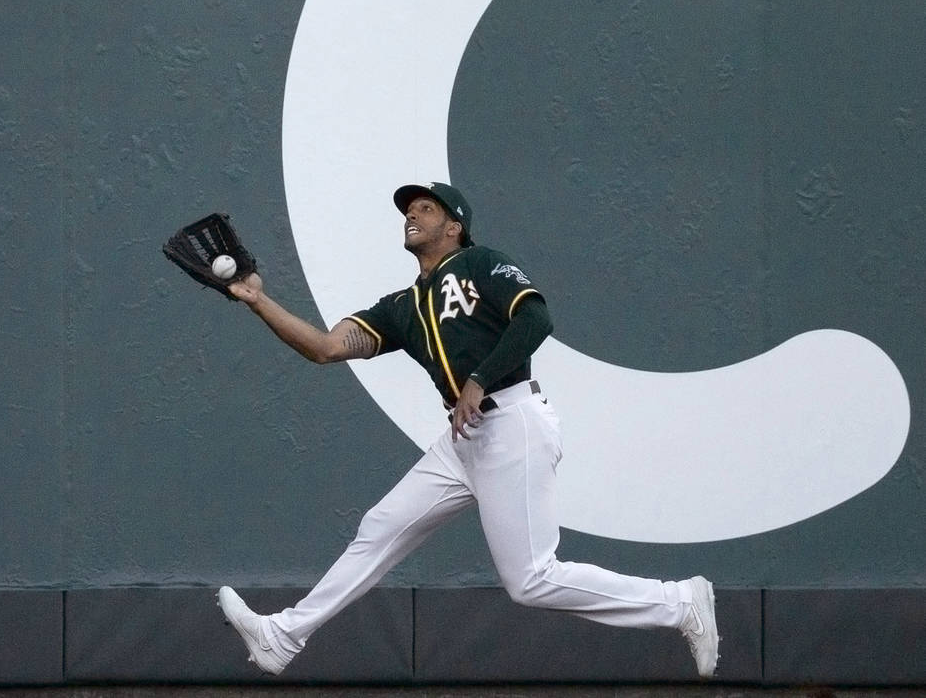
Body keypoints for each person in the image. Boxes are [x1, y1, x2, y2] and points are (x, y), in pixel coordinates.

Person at [216, 182, 719, 677]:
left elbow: (536, 319)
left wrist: (479, 378)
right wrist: (259, 300)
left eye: (425, 208)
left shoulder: (479, 263)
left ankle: (680, 603)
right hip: (465, 441)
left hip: (512, 421)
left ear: (455, 226)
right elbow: (325, 348)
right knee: (381, 527)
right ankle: (282, 636)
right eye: (408, 210)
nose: (411, 215)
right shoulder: (402, 305)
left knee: (531, 580)